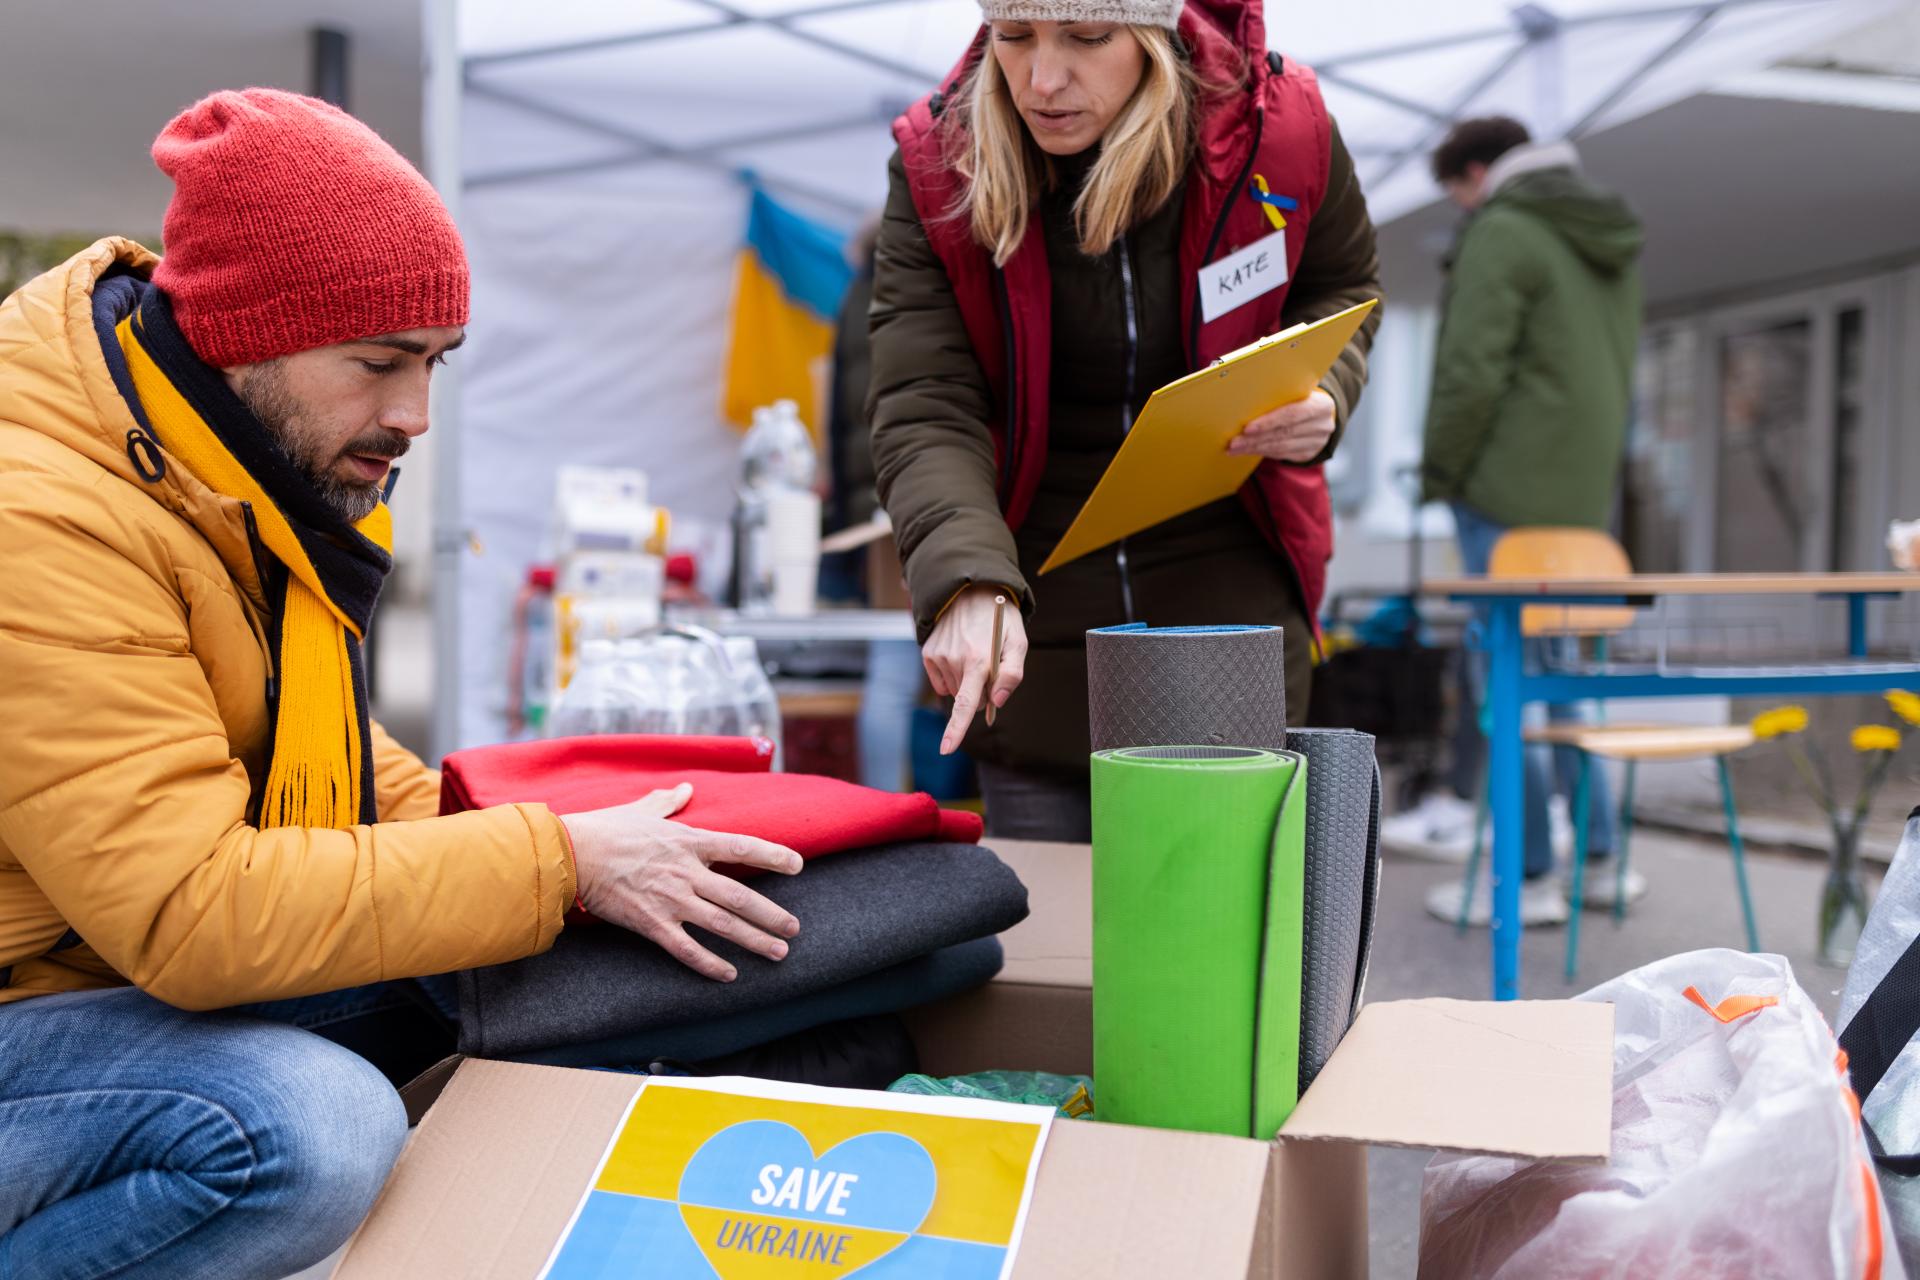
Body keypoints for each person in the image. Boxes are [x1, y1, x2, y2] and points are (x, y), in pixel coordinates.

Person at [0, 89, 804, 1279]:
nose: (413, 415)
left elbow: (327, 770)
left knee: (547, 985)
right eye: (378, 363)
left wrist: (597, 861)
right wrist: (556, 860)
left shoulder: (230, 467)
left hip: (94, 989)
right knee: (303, 1124)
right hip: (45, 1008)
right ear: (241, 335)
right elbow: (193, 912)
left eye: (434, 362)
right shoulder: (44, 514)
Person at [869, 0, 1383, 840]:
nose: (1042, 79)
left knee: (1224, 927)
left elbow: (1344, 285)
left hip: (1229, 578)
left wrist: (1325, 390)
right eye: (1014, 36)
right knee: (1056, 939)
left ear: (1153, 36)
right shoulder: (938, 162)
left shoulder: (1279, 133)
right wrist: (968, 578)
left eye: (1086, 37)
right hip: (1030, 587)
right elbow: (925, 399)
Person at [1403, 116, 1646, 927]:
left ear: (1476, 172)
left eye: (1459, 194)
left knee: (1508, 687)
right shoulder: (1602, 230)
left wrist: (1440, 471)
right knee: (1567, 683)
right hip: (1582, 496)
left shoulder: (1505, 228)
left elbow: (1470, 371)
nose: (1464, 208)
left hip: (1503, 495)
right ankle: (1603, 863)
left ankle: (1529, 877)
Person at [823, 220, 927, 792]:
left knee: (891, 668)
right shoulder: (903, 291)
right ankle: (890, 800)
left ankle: (888, 799)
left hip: (873, 506)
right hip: (904, 501)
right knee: (895, 669)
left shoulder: (853, 294)